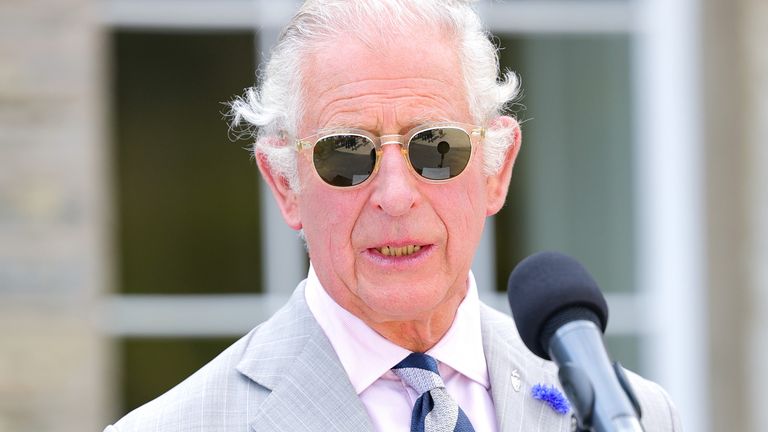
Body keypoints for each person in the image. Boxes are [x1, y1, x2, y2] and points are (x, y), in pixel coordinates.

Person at [106, 1, 682, 431]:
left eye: (436, 147)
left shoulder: (634, 414)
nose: (396, 195)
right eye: (346, 152)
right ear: (285, 185)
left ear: (496, 170)